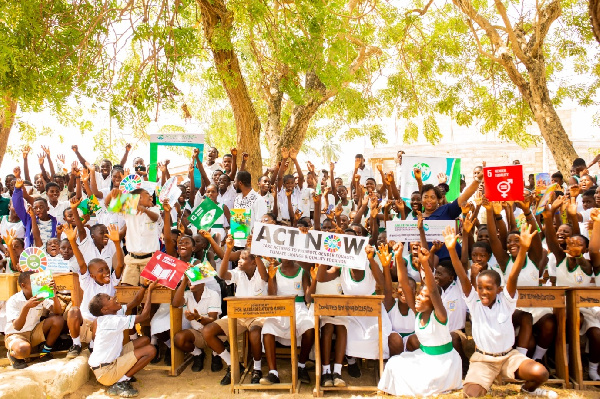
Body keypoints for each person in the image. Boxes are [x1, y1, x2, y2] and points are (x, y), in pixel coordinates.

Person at [446, 224, 557, 398]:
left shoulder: (506, 301)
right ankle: (486, 383)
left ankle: (527, 391)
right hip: (484, 360)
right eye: (480, 287)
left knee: (540, 373)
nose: (483, 292)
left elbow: (513, 275)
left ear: (498, 289)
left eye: (489, 288)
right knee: (471, 394)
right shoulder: (474, 302)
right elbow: (461, 275)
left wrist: (523, 250)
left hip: (509, 358)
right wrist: (452, 250)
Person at [378, 244, 462, 396]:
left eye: (423, 296)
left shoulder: (440, 316)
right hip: (425, 358)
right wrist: (398, 257)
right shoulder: (418, 312)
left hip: (443, 364)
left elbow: (434, 291)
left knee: (420, 387)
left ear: (433, 302)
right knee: (393, 364)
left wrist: (425, 264)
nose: (417, 298)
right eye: (418, 295)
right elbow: (404, 284)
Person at [201, 235, 268, 385]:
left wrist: (256, 252)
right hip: (238, 315)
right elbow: (222, 274)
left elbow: (264, 275)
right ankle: (233, 364)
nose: (239, 260)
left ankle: (257, 369)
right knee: (207, 331)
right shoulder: (238, 273)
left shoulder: (260, 272)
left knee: (255, 332)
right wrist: (228, 250)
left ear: (253, 262)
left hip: (258, 315)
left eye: (243, 258)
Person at [87, 281, 158, 397]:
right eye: (109, 298)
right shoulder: (112, 321)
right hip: (106, 372)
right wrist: (150, 291)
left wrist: (144, 286)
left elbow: (135, 302)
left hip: (110, 362)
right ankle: (121, 381)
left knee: (145, 340)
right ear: (104, 310)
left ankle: (122, 375)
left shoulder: (111, 314)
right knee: (151, 350)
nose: (114, 297)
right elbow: (144, 315)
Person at [64, 223, 124, 359]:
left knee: (99, 321)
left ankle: (93, 346)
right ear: (91, 275)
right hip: (86, 323)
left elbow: (120, 264)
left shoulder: (112, 282)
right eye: (101, 270)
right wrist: (72, 241)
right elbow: (81, 263)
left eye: (107, 269)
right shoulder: (87, 282)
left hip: (103, 325)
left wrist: (116, 243)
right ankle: (76, 344)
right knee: (73, 311)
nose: (106, 272)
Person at [260, 258, 315, 385]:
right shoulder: (275, 271)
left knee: (309, 328)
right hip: (280, 308)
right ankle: (273, 372)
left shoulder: (302, 271)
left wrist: (314, 280)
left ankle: (301, 365)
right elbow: (272, 296)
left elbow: (308, 298)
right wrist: (270, 277)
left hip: (299, 307)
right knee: (267, 328)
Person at [4, 271, 64, 369]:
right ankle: (13, 354)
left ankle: (45, 352)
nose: (39, 286)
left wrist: (54, 295)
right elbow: (17, 327)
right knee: (23, 349)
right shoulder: (13, 300)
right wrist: (26, 307)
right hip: (16, 334)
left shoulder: (40, 296)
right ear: (23, 286)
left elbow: (58, 312)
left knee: (58, 320)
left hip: (34, 332)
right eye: (34, 284)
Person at [105, 188, 160, 286]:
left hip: (150, 259)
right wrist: (114, 193)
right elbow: (109, 205)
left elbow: (156, 218)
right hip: (132, 259)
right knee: (126, 287)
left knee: (149, 289)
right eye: (147, 194)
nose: (151, 197)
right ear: (138, 198)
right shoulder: (128, 209)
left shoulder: (154, 209)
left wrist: (145, 211)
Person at [172, 274, 221, 372]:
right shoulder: (187, 294)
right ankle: (198, 354)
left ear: (203, 282)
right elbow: (175, 304)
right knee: (179, 338)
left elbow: (212, 318)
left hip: (212, 333)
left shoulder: (213, 294)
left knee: (211, 331)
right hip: (197, 332)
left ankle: (216, 354)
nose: (191, 282)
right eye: (189, 280)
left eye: (194, 279)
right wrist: (184, 281)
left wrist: (197, 318)